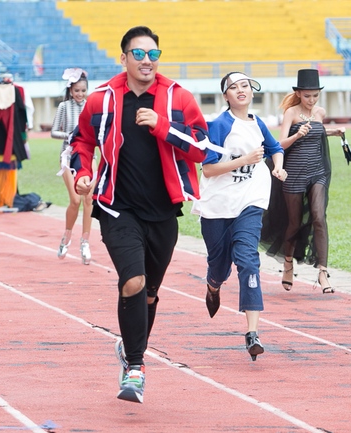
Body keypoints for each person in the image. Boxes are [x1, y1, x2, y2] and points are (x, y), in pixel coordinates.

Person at [71, 26, 211, 404]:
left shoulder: (177, 98)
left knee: (149, 293)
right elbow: (81, 141)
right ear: (124, 58)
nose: (147, 61)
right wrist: (83, 173)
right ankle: (135, 366)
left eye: (154, 54)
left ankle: (130, 347)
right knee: (132, 281)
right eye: (139, 54)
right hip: (116, 207)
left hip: (164, 211)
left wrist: (162, 126)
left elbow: (202, 148)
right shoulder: (101, 99)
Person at [191, 72, 287, 361]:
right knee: (220, 267)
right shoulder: (219, 125)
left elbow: (275, 148)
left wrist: (277, 167)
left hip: (250, 202)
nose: (240, 90)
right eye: (233, 87)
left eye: (244, 85)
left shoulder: (258, 123)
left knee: (247, 260)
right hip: (218, 207)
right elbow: (207, 170)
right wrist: (243, 161)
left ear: (252, 91)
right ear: (226, 96)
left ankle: (252, 333)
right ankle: (213, 284)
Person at [260, 69, 344, 294]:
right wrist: (297, 135)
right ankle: (288, 264)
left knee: (319, 216)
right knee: (294, 222)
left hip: (318, 171)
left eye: (315, 95)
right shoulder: (291, 113)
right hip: (294, 173)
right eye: (307, 96)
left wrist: (335, 132)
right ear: (298, 93)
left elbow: (317, 132)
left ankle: (323, 272)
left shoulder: (319, 112)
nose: (312, 100)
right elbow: (279, 145)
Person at [51, 68, 95, 264]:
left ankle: (85, 241)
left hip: (87, 155)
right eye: (77, 91)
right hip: (68, 156)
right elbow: (53, 131)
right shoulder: (63, 107)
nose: (80, 94)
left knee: (89, 200)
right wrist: (70, 135)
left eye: (83, 91)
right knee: (75, 200)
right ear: (70, 90)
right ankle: (66, 237)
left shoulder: (90, 106)